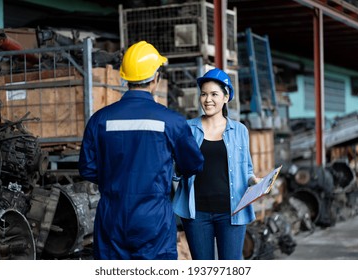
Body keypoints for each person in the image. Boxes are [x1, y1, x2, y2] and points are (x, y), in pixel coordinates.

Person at [78, 41, 204, 260]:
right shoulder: (171, 121)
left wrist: (116, 180)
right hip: (153, 218)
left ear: (124, 78)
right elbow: (194, 164)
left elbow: (87, 169)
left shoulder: (99, 119)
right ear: (155, 79)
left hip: (111, 217)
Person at [173, 68, 261, 260]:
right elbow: (175, 171)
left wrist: (256, 181)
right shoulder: (187, 129)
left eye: (214, 94)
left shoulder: (239, 130)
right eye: (203, 94)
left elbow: (246, 170)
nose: (207, 99)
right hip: (197, 213)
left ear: (226, 96)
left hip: (232, 213)